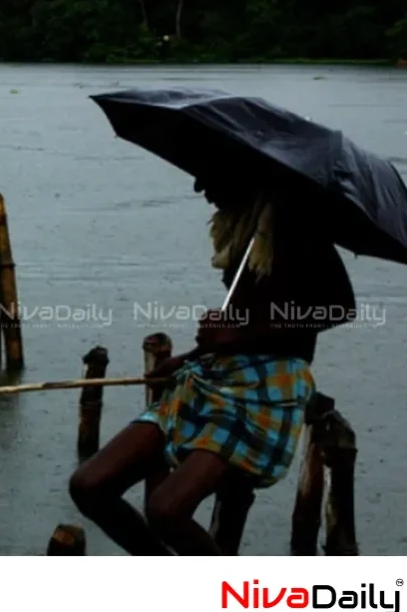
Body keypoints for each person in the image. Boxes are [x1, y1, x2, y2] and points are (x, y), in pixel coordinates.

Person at [68, 176, 356, 555]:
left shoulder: (294, 223)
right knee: (89, 485)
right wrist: (189, 358)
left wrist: (237, 336)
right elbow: (241, 319)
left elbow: (339, 308)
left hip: (267, 391)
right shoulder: (240, 224)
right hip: (214, 375)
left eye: (210, 174)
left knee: (166, 510)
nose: (199, 186)